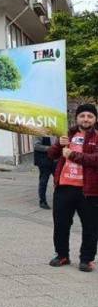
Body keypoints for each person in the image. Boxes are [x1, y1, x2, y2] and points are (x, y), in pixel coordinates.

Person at [47, 104, 98, 272]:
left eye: (90, 116)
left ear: (95, 119)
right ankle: (62, 255)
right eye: (82, 115)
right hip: (64, 187)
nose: (86, 119)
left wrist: (73, 155)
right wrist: (58, 145)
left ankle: (86, 259)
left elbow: (95, 160)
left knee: (90, 227)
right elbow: (51, 155)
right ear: (76, 118)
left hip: (89, 190)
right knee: (61, 224)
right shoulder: (67, 134)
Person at [35, 136, 57, 210]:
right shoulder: (39, 132)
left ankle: (59, 200)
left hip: (55, 161)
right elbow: (36, 146)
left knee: (59, 181)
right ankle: (42, 201)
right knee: (43, 181)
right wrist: (50, 148)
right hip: (44, 161)